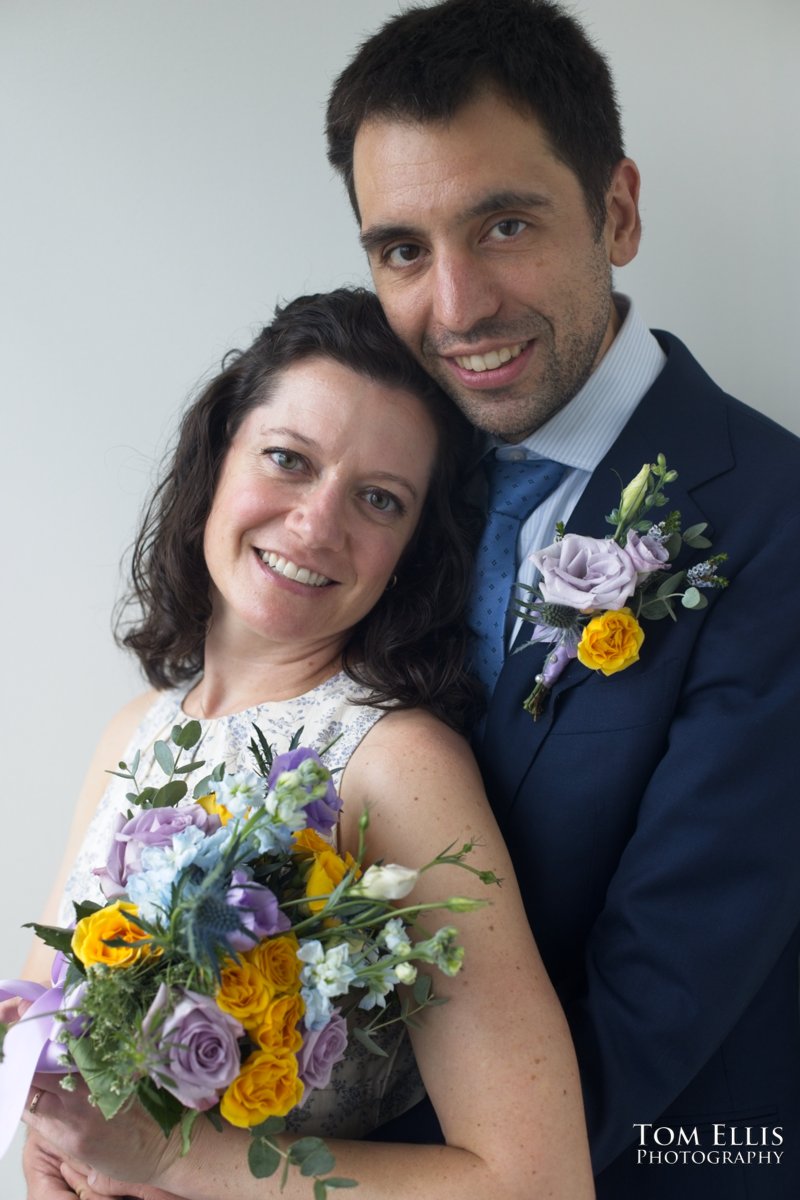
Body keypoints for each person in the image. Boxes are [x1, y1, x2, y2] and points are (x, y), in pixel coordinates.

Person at [324, 1, 800, 1197]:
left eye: (503, 225)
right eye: (402, 250)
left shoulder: (777, 519)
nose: (455, 308)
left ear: (616, 211)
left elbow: (662, 988)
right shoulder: (380, 487)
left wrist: (281, 1172)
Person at [14, 287, 594, 1200]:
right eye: (288, 459)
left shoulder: (395, 765)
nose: (318, 525)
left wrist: (166, 1159)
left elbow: (539, 1182)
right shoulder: (136, 729)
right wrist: (48, 1144)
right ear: (217, 457)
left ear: (412, 549)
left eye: (379, 499)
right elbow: (44, 1035)